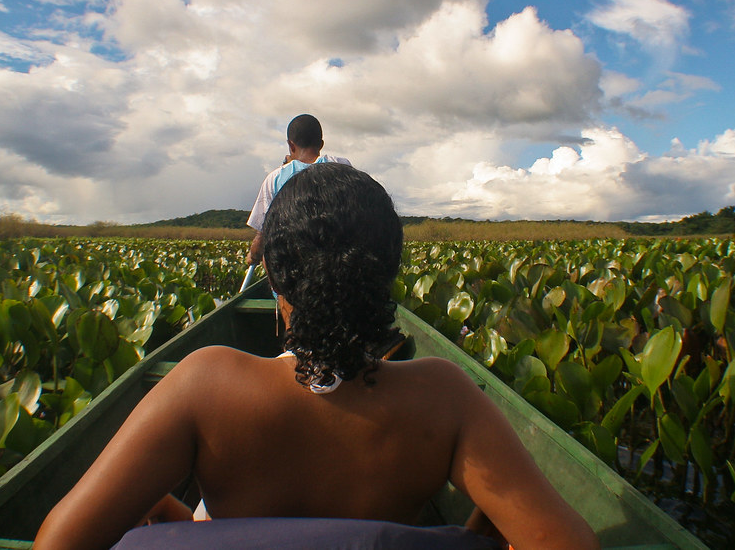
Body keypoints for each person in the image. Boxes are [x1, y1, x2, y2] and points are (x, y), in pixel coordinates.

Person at [34, 163, 599, 550]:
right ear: (387, 278)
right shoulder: (445, 397)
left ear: (276, 280)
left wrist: (178, 523)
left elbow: (58, 543)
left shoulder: (205, 383)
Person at [244, 113, 350, 266]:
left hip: (292, 270)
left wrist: (253, 255)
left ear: (291, 145)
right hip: (335, 264)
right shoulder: (342, 165)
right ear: (321, 144)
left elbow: (262, 234)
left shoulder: (274, 179)